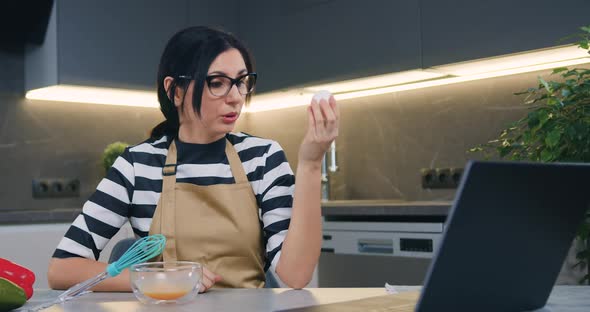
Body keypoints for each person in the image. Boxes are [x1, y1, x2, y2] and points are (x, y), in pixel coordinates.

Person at [47, 26, 339, 292]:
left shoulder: (262, 158)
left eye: (241, 81)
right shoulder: (138, 165)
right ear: (175, 91)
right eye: (217, 83)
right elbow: (63, 268)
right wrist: (159, 280)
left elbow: (296, 275)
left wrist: (312, 163)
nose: (236, 96)